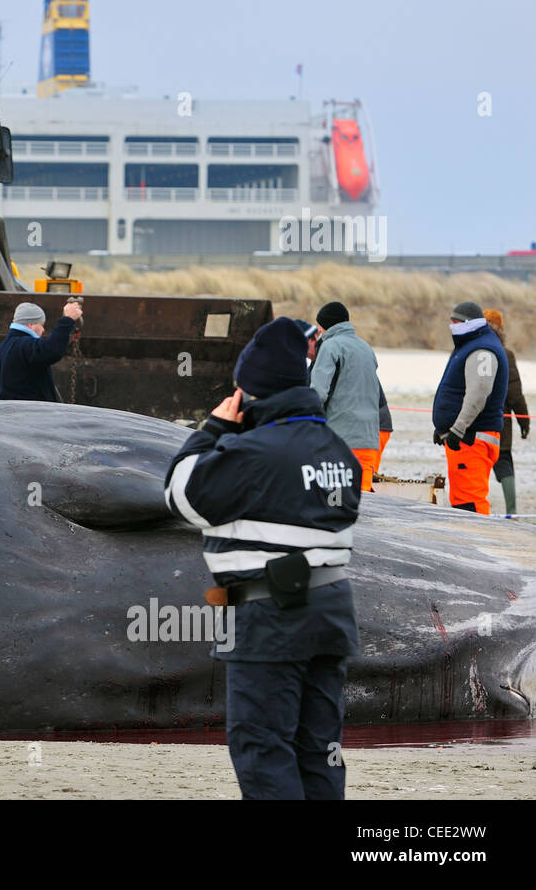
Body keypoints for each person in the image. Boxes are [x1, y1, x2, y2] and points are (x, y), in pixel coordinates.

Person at [163, 317, 361, 800]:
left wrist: (212, 428)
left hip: (271, 619)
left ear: (251, 391)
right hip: (331, 613)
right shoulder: (337, 450)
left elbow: (180, 496)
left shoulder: (252, 452)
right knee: (318, 748)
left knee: (262, 747)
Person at [433, 301, 509, 514]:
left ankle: (477, 543)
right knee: (461, 500)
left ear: (469, 324)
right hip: (465, 437)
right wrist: (443, 427)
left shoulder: (482, 349)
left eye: (456, 321)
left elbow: (479, 392)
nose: (452, 325)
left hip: (472, 438)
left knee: (470, 503)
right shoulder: (471, 344)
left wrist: (457, 427)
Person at [309, 302, 382, 492]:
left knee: (337, 502)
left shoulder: (330, 346)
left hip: (340, 440)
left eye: (320, 325)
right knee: (363, 502)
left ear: (326, 325)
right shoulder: (366, 348)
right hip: (368, 439)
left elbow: (318, 392)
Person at [0, 300, 83, 402]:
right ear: (30, 325)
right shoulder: (26, 345)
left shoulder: (0, 349)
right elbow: (52, 350)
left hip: (7, 412)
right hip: (32, 413)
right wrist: (67, 320)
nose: (43, 330)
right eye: (41, 325)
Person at [483, 309, 528, 516]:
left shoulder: (473, 349)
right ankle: (511, 512)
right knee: (504, 463)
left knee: (479, 466)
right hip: (501, 423)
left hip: (474, 421)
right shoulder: (505, 354)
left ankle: (475, 508)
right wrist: (524, 421)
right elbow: (515, 394)